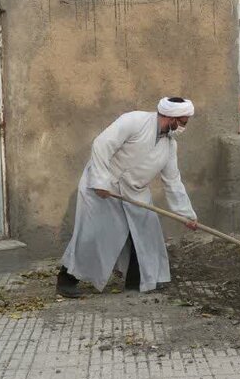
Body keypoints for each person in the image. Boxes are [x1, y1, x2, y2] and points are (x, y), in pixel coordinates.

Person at [57, 97, 199, 298]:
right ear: (171, 117)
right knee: (94, 234)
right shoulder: (134, 121)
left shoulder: (170, 146)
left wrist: (186, 215)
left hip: (135, 192)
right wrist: (100, 181)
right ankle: (67, 280)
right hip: (105, 188)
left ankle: (138, 280)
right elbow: (101, 145)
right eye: (183, 122)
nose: (184, 127)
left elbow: (173, 181)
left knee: (146, 233)